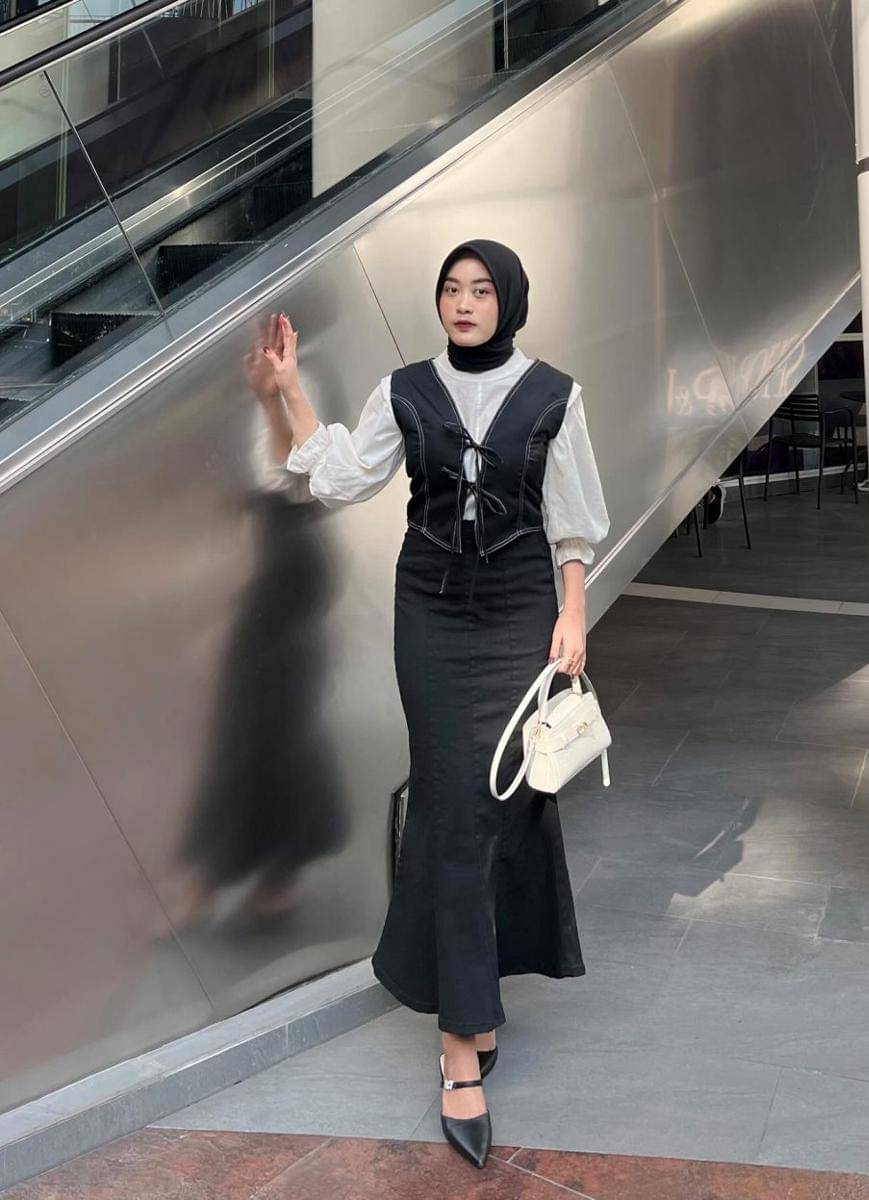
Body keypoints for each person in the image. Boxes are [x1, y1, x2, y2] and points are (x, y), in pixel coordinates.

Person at [263, 238, 610, 1170]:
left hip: (521, 611)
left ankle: (475, 986)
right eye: (451, 288)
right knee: (455, 804)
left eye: (482, 290)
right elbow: (343, 475)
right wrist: (288, 391)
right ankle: (461, 1039)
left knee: (505, 801)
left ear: (509, 302)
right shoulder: (405, 389)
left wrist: (573, 615)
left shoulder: (556, 395)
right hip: (430, 611)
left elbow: (572, 520)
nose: (463, 303)